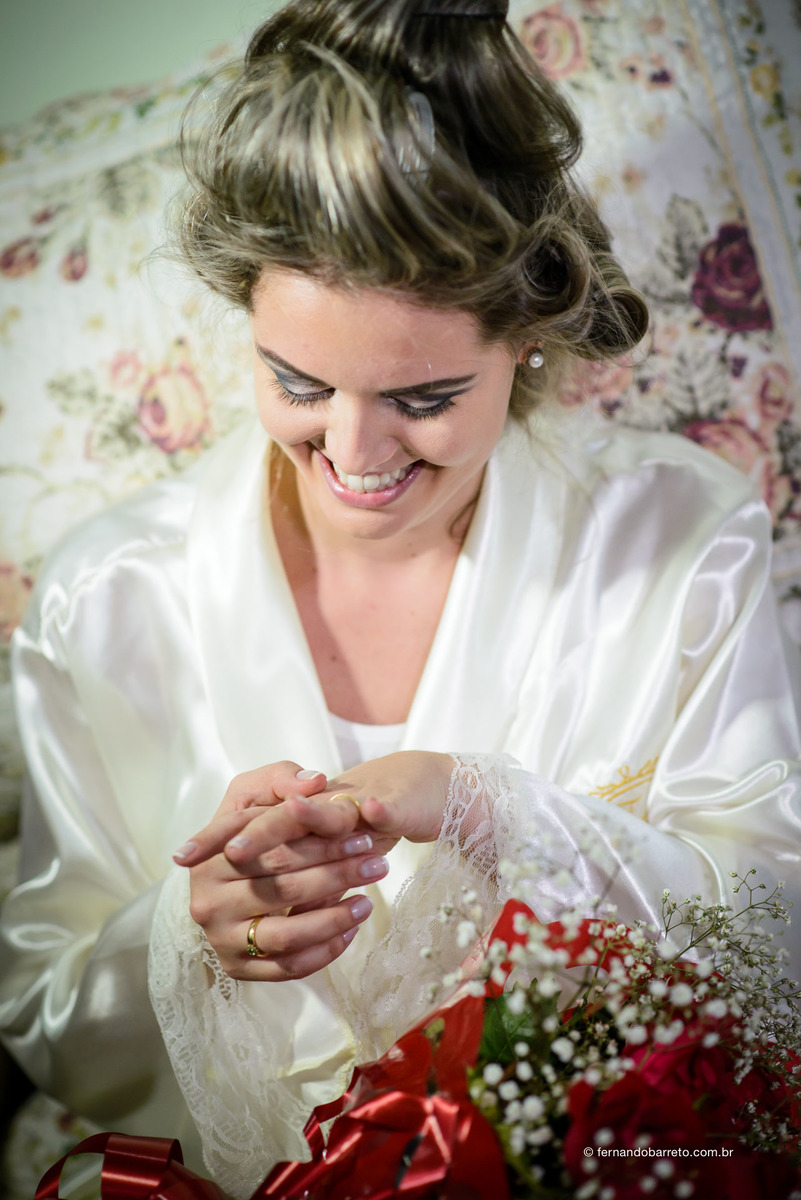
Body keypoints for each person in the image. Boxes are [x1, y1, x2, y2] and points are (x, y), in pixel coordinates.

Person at [2, 0, 801, 1196]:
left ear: (527, 337)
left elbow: (773, 943)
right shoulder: (110, 599)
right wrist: (185, 937)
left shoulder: (683, 545)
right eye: (298, 381)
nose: (354, 453)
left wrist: (491, 813)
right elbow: (46, 1008)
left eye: (423, 397)